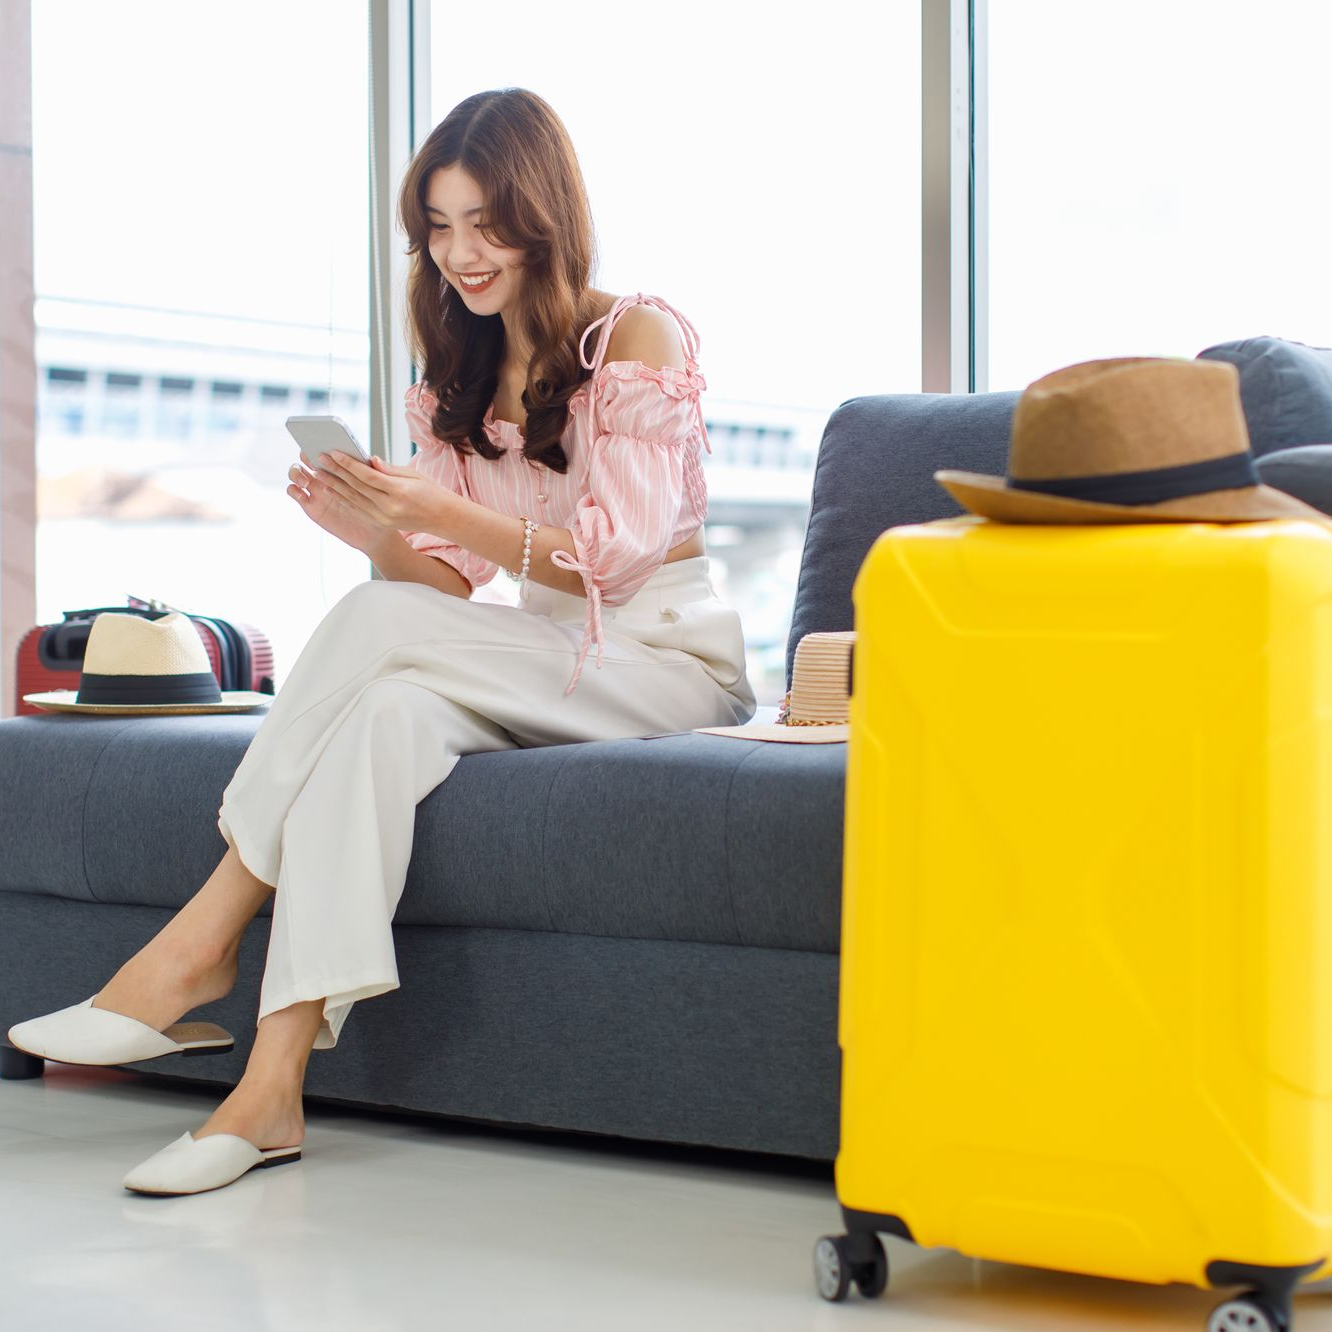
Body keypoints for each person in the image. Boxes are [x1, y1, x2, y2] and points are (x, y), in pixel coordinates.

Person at [8, 87, 756, 1196]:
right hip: (550, 656)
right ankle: (267, 1094)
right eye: (439, 227)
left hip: (664, 660)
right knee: (381, 713)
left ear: (541, 214)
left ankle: (196, 944)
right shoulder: (453, 371)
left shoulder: (636, 335)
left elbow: (617, 561)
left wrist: (439, 515)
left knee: (373, 634)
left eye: (484, 222)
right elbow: (442, 591)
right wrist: (373, 527)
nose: (461, 253)